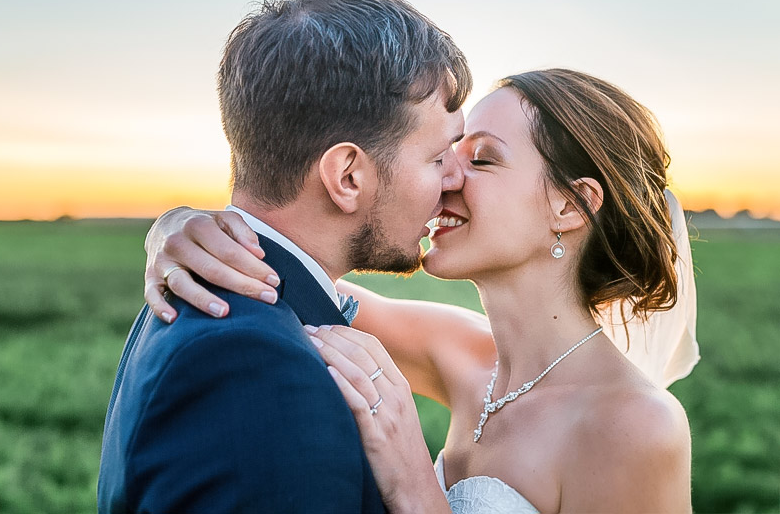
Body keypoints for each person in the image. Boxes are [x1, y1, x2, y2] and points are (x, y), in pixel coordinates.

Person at [143, 69, 699, 512]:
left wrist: (416, 492)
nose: (446, 179)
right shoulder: (458, 350)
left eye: (481, 158)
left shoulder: (636, 425)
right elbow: (291, 276)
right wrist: (177, 226)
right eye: (447, 155)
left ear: (570, 205)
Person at [97, 0, 473, 513]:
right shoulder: (257, 362)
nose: (456, 178)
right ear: (347, 176)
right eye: (438, 157)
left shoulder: (224, 300)